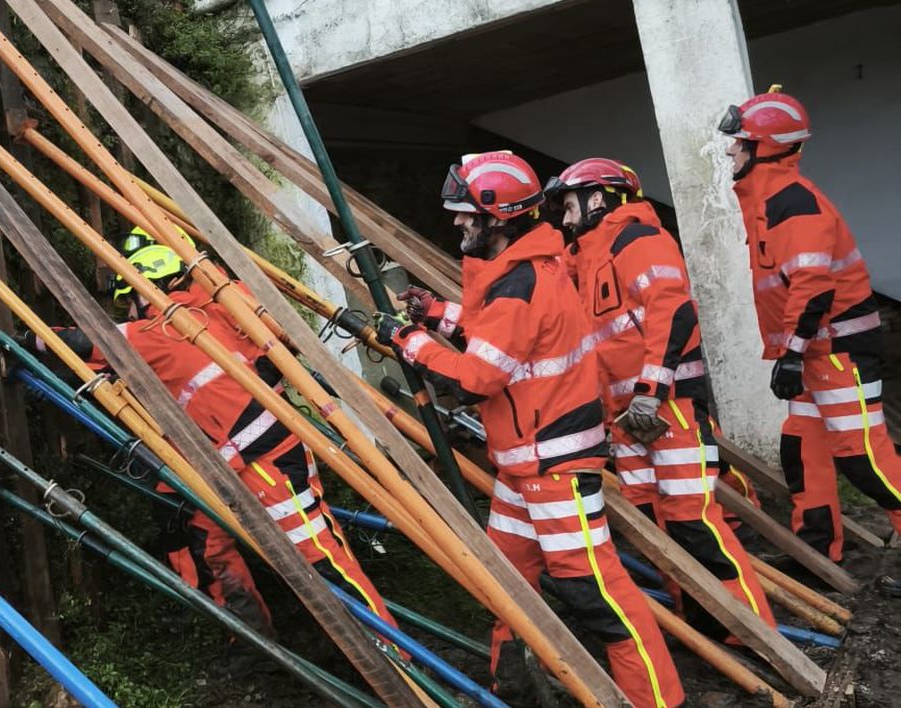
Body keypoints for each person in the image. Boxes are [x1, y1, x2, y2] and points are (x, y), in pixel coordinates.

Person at [377, 151, 683, 708]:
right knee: (508, 582)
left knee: (594, 594)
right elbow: (501, 334)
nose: (457, 223)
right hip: (524, 463)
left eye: (466, 214)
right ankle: (514, 685)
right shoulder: (525, 270)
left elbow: (478, 377)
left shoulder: (521, 280)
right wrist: (437, 316)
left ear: (496, 218)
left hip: (553, 465)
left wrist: (408, 342)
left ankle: (658, 701)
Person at [34, 225, 394, 635]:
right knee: (212, 544)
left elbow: (89, 342)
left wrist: (29, 339)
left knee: (322, 563)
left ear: (145, 288)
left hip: (264, 462)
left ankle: (395, 661)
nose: (128, 312)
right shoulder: (222, 302)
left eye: (127, 302)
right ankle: (256, 640)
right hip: (245, 458)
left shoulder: (159, 329)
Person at [543, 157, 772, 632]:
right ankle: (706, 627)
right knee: (654, 525)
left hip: (668, 409)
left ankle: (756, 635)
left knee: (693, 521)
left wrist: (650, 391)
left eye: (569, 206)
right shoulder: (583, 261)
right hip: (628, 419)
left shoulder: (638, 240)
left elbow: (674, 312)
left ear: (598, 199)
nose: (564, 220)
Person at [721, 87, 900, 560]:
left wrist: (793, 353)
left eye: (738, 142)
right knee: (803, 451)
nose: (729, 150)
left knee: (863, 458)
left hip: (836, 350)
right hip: (814, 352)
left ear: (765, 147)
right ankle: (818, 551)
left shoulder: (792, 203)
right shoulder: (770, 202)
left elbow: (814, 286)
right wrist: (793, 355)